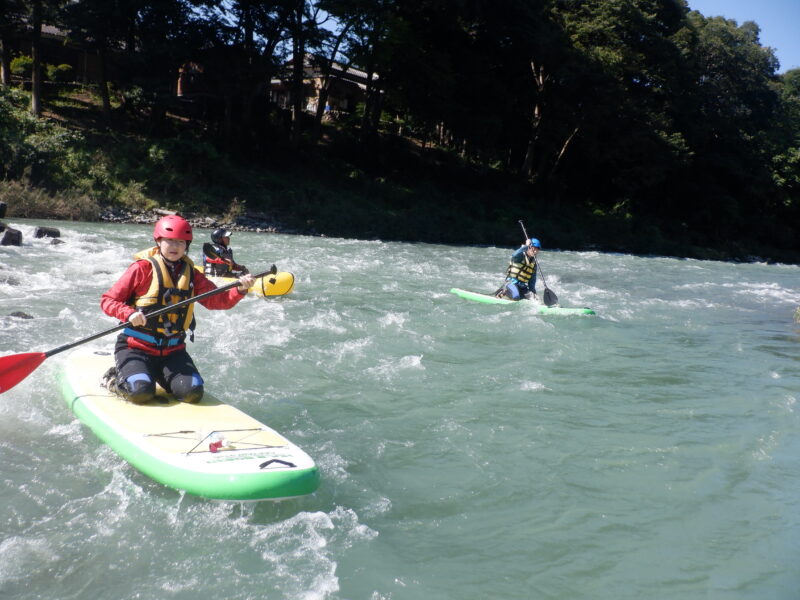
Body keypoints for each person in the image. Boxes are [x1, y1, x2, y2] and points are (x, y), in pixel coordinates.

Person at [100, 215, 254, 404]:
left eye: (181, 242)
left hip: (173, 350)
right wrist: (129, 313)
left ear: (186, 246)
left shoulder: (192, 275)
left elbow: (219, 301)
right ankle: (114, 378)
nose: (175, 247)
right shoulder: (142, 269)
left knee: (193, 392)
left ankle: (152, 375)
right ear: (158, 241)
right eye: (170, 241)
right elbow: (108, 300)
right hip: (135, 348)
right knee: (140, 393)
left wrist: (240, 289)